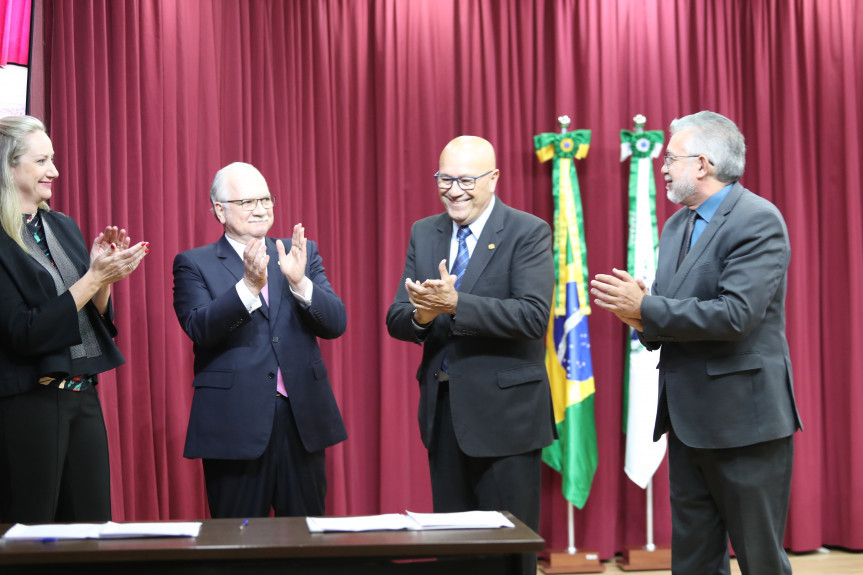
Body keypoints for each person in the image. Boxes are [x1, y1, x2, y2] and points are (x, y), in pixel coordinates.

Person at [590, 111, 802, 575]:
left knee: (760, 559)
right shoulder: (676, 226)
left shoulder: (757, 219)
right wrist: (638, 315)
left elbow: (736, 316)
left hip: (745, 424)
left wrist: (646, 309)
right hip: (687, 422)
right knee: (693, 562)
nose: (662, 167)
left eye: (670, 158)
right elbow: (673, 314)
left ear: (702, 164)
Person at [386, 136, 555, 575]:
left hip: (508, 420)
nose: (454, 190)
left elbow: (533, 317)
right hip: (443, 416)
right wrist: (424, 314)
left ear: (494, 179)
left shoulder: (527, 231)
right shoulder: (425, 232)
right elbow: (398, 317)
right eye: (445, 179)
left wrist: (456, 304)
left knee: (507, 552)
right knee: (455, 552)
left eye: (466, 180)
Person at [173, 162, 347, 519]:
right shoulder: (194, 263)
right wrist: (248, 287)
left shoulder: (299, 252)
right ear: (220, 210)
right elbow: (199, 327)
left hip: (302, 422)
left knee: (307, 542)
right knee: (238, 544)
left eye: (266, 199)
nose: (260, 208)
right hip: (235, 424)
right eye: (247, 201)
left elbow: (335, 323)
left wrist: (300, 283)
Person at [0, 115, 148, 523]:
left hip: (82, 394)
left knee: (92, 527)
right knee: (31, 530)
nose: (55, 171)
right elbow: (23, 331)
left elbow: (94, 316)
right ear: (9, 168)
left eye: (54, 159)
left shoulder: (63, 226)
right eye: (42, 160)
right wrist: (92, 278)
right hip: (29, 402)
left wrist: (104, 276)